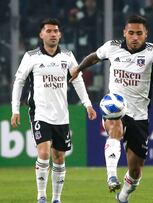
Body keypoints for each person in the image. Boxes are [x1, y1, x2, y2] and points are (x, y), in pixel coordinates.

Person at [69, 15, 153, 203]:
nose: (135, 37)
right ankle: (111, 176)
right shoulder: (113, 46)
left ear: (146, 34)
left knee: (136, 170)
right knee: (115, 128)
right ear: (124, 32)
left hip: (140, 115)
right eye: (131, 33)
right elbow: (94, 57)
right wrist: (78, 68)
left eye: (139, 33)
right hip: (115, 106)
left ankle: (123, 196)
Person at [11, 18, 97, 203]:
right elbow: (19, 82)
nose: (52, 34)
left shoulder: (67, 56)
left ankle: (56, 198)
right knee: (43, 153)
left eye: (55, 31)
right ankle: (41, 196)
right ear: (41, 34)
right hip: (40, 112)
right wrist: (15, 109)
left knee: (59, 157)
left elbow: (78, 79)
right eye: (48, 31)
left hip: (61, 115)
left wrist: (87, 104)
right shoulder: (31, 56)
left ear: (60, 34)